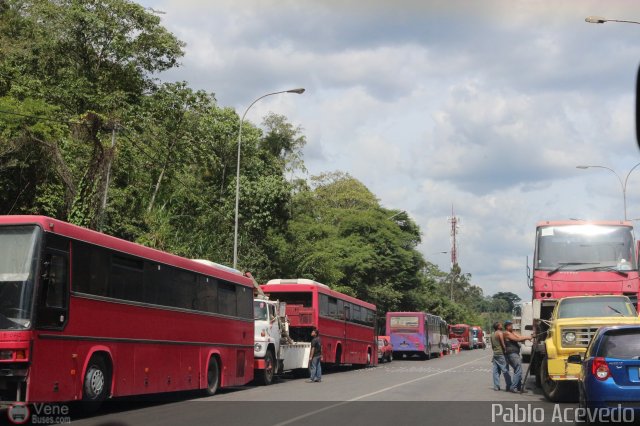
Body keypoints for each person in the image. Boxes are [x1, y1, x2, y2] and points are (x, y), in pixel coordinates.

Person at [503, 320, 533, 393]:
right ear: (507, 326)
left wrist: (529, 336)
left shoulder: (511, 332)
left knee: (519, 370)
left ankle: (520, 387)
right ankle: (513, 387)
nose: (512, 326)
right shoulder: (506, 333)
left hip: (515, 353)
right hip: (512, 354)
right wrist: (528, 338)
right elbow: (517, 339)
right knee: (518, 370)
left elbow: (519, 336)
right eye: (511, 325)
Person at [490, 321, 511, 391]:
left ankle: (496, 386)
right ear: (498, 327)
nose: (502, 325)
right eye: (500, 324)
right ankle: (509, 385)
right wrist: (505, 350)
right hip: (501, 354)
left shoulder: (492, 334)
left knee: (495, 371)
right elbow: (503, 344)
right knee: (505, 370)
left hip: (495, 354)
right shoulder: (500, 333)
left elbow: (492, 346)